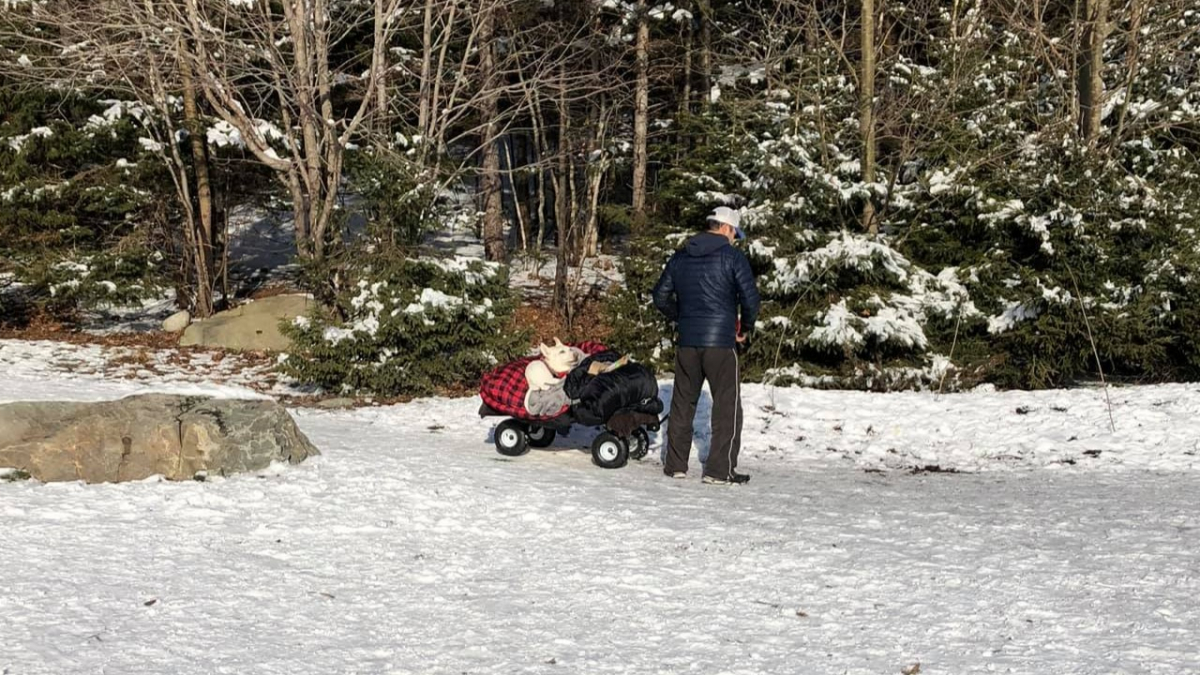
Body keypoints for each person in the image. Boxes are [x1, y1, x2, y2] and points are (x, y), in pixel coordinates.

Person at [652, 206, 760, 485]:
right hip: (722, 344)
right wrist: (744, 329)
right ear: (725, 228)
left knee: (682, 403)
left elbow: (660, 296)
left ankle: (675, 465)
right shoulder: (733, 257)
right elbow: (750, 301)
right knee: (727, 407)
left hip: (688, 342)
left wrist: (684, 317)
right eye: (735, 232)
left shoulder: (681, 255)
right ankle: (718, 470)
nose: (735, 238)